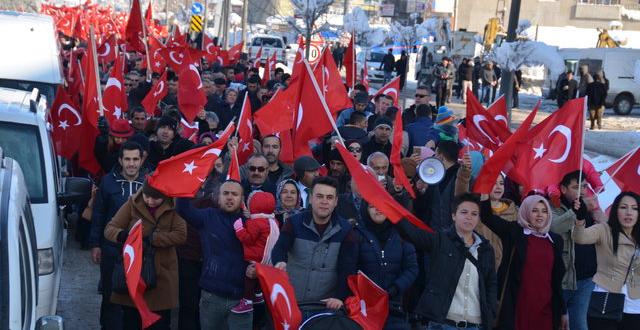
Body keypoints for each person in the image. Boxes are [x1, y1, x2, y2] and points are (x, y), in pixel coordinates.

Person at [394, 193, 497, 330]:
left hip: (476, 324)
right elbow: (411, 233)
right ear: (454, 215)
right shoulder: (440, 240)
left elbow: (491, 282)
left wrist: (490, 311)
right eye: (464, 212)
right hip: (443, 323)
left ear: (478, 219)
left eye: (474, 214)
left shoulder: (485, 248)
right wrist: (393, 203)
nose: (469, 217)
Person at [271, 176, 359, 319]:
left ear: (336, 202)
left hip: (324, 307)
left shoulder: (346, 230)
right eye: (319, 196)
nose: (324, 201)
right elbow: (279, 249)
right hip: (291, 304)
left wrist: (339, 297)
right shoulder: (293, 223)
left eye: (329, 197)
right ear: (311, 199)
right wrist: (279, 261)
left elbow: (347, 268)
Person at [104, 181, 187, 330]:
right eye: (147, 196)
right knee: (131, 322)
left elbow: (181, 235)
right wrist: (124, 235)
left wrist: (154, 239)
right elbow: (110, 229)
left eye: (156, 198)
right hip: (133, 274)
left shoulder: (173, 207)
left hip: (162, 277)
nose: (150, 201)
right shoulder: (132, 204)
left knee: (160, 324)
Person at [480, 194, 568, 330]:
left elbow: (556, 280)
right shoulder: (514, 232)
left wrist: (563, 311)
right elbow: (487, 217)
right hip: (517, 307)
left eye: (544, 211)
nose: (540, 215)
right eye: (535, 210)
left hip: (546, 309)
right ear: (526, 211)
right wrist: (485, 195)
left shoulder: (556, 240)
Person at [175, 180, 254, 329]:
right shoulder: (208, 216)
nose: (230, 197)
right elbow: (183, 209)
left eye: (234, 194)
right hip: (212, 297)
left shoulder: (251, 223)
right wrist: (187, 181)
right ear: (218, 197)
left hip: (241, 300)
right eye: (225, 193)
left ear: (242, 199)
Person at [90, 141, 146, 330]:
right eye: (127, 159)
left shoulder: (150, 182)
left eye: (135, 159)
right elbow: (98, 214)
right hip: (112, 250)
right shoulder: (107, 181)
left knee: (136, 297)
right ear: (120, 160)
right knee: (110, 296)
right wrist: (95, 244)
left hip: (141, 253)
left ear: (141, 160)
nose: (131, 164)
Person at [573, 191, 640, 330]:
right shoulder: (604, 230)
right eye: (623, 207)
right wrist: (580, 219)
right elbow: (580, 238)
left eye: (634, 208)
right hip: (605, 303)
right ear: (615, 210)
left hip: (635, 307)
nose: (629, 212)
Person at [355, 202, 418, 329]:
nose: (378, 209)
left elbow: (412, 268)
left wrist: (395, 288)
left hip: (394, 308)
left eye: (382, 205)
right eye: (372, 206)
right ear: (365, 209)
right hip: (363, 308)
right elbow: (349, 268)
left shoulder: (401, 234)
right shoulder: (356, 234)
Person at [231, 191, 280, 313]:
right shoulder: (274, 221)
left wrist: (239, 229)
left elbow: (248, 239)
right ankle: (258, 295)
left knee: (250, 276)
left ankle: (247, 301)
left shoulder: (255, 223)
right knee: (258, 276)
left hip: (256, 255)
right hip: (268, 256)